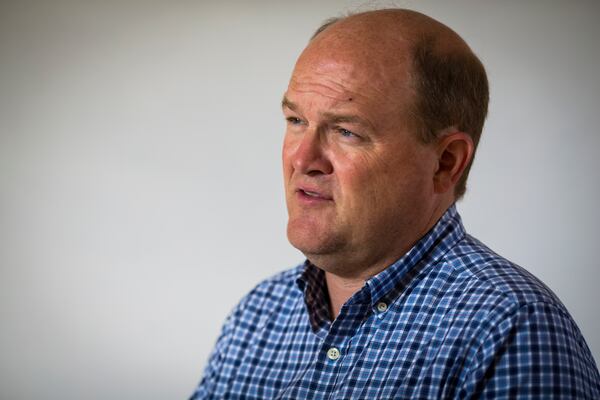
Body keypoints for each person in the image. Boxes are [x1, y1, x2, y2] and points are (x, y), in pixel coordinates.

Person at [190, 9, 600, 399]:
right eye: (296, 121)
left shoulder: (511, 330)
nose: (302, 159)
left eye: (346, 131)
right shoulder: (259, 315)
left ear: (445, 163)